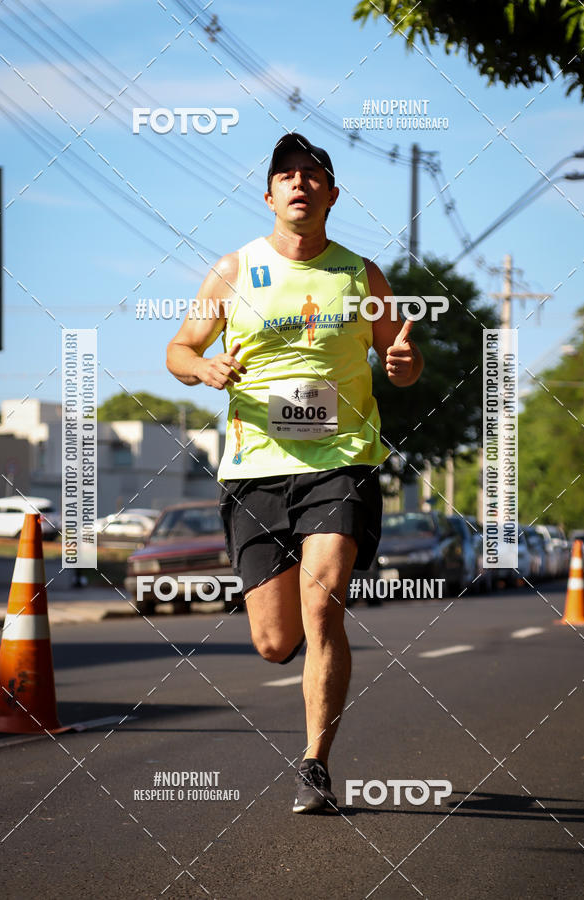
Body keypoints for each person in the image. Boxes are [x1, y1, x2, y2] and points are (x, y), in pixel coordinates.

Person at [166, 133, 424, 814]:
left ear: (332, 194)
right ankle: (302, 659)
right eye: (287, 176)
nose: (300, 184)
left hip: (341, 464)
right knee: (275, 639)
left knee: (323, 604)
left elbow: (400, 354)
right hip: (255, 472)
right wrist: (204, 368)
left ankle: (315, 763)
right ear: (270, 194)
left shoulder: (361, 275)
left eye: (313, 175)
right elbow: (179, 348)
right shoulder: (233, 270)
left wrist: (404, 366)